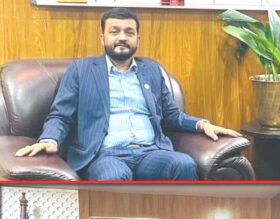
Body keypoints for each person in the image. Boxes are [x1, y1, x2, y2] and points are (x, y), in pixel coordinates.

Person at [14, 7, 240, 180]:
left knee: (183, 164)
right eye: (114, 32)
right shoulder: (81, 70)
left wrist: (201, 124)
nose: (122, 37)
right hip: (106, 154)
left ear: (137, 40)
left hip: (151, 152)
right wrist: (50, 139)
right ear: (102, 38)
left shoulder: (151, 70)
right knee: (113, 176)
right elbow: (61, 115)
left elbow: (171, 114)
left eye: (129, 32)